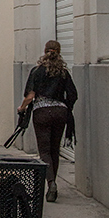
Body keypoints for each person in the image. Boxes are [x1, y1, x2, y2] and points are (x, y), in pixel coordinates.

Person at [18, 40, 78, 203]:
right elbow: (73, 94)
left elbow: (30, 96)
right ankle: (53, 182)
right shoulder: (64, 72)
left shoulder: (36, 71)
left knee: (44, 151)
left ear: (45, 52)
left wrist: (22, 108)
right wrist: (65, 106)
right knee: (54, 150)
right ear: (59, 53)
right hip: (60, 113)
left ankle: (51, 183)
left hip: (42, 113)